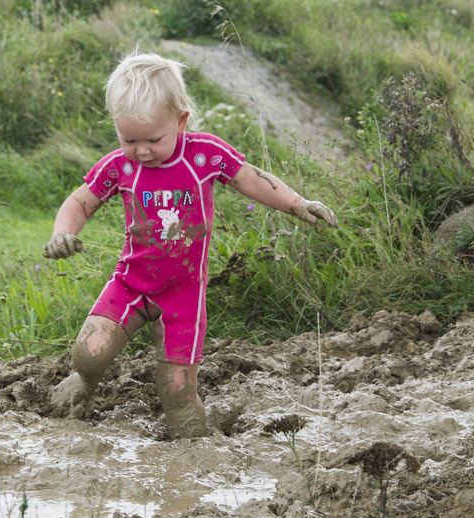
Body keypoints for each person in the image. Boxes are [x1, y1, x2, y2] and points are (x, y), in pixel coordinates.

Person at [43, 52, 338, 439]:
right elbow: (80, 202)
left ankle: (193, 460)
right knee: (89, 353)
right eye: (129, 138)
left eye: (153, 139)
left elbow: (251, 178)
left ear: (180, 121)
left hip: (183, 295)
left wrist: (297, 203)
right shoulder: (121, 166)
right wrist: (63, 232)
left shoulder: (204, 154)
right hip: (130, 283)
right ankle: (83, 381)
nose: (142, 150)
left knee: (177, 392)